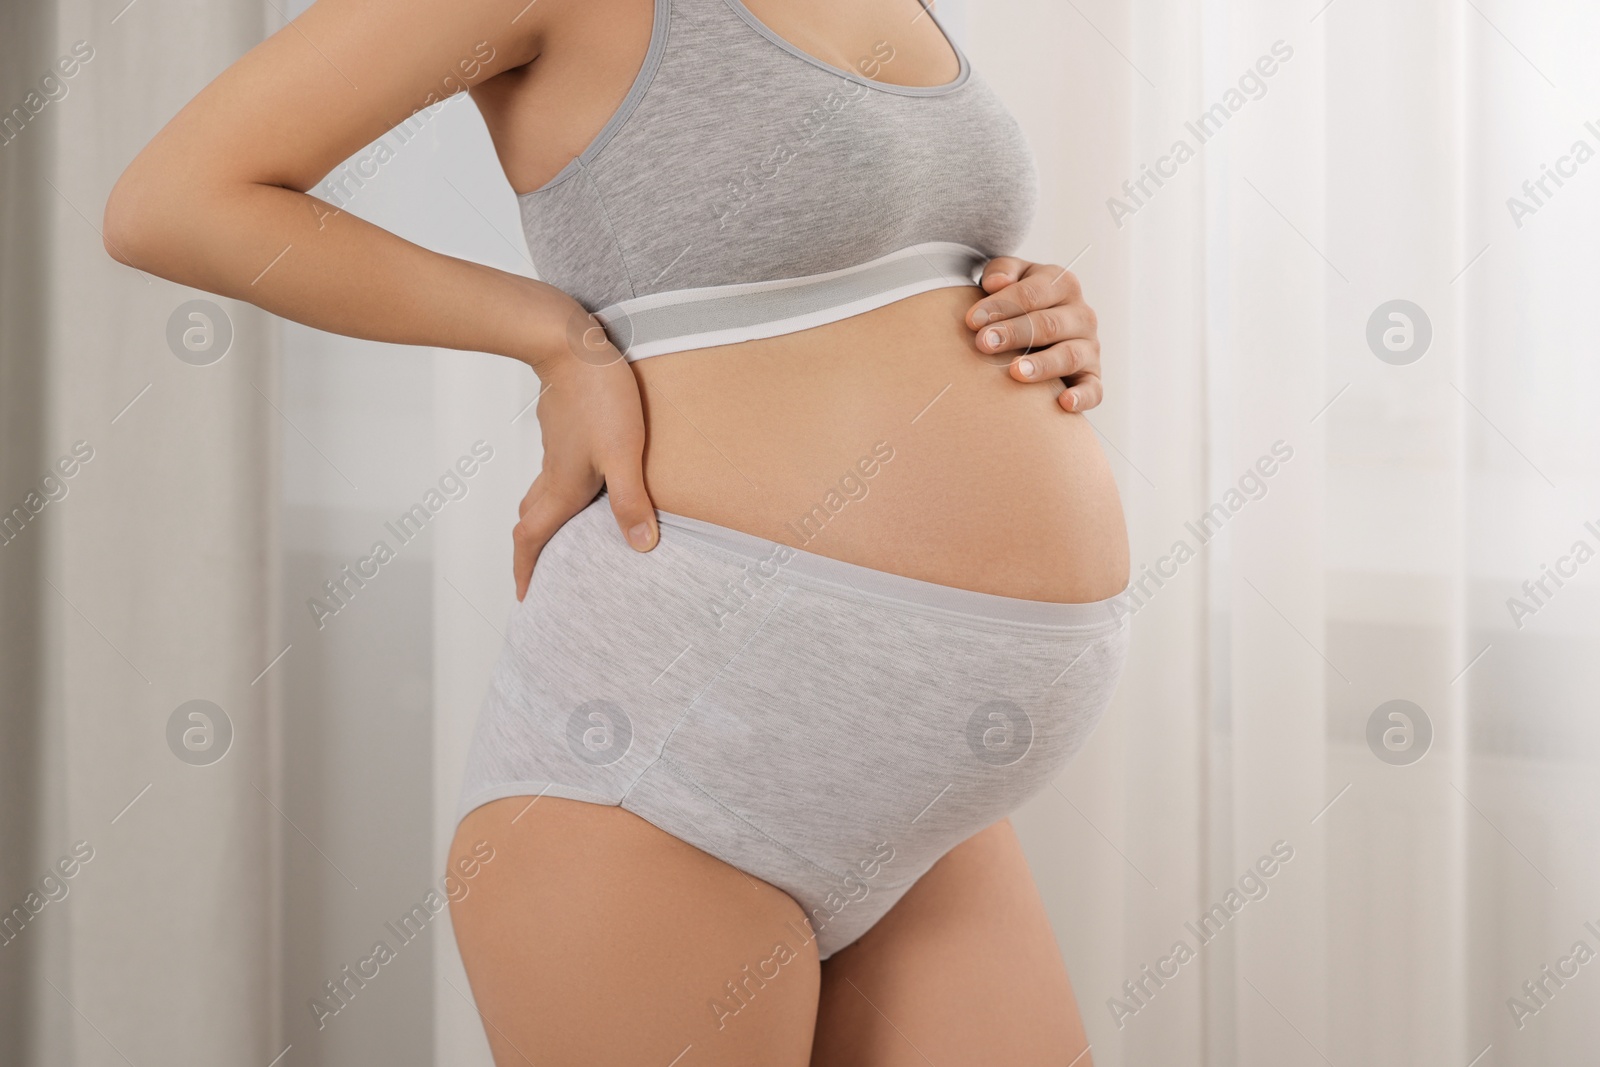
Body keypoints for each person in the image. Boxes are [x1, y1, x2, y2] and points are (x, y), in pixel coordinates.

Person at [104, 0, 1130, 1061]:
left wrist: (1028, 306)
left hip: (925, 802)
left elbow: (872, 260)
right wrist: (551, 336)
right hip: (664, 765)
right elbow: (173, 199)